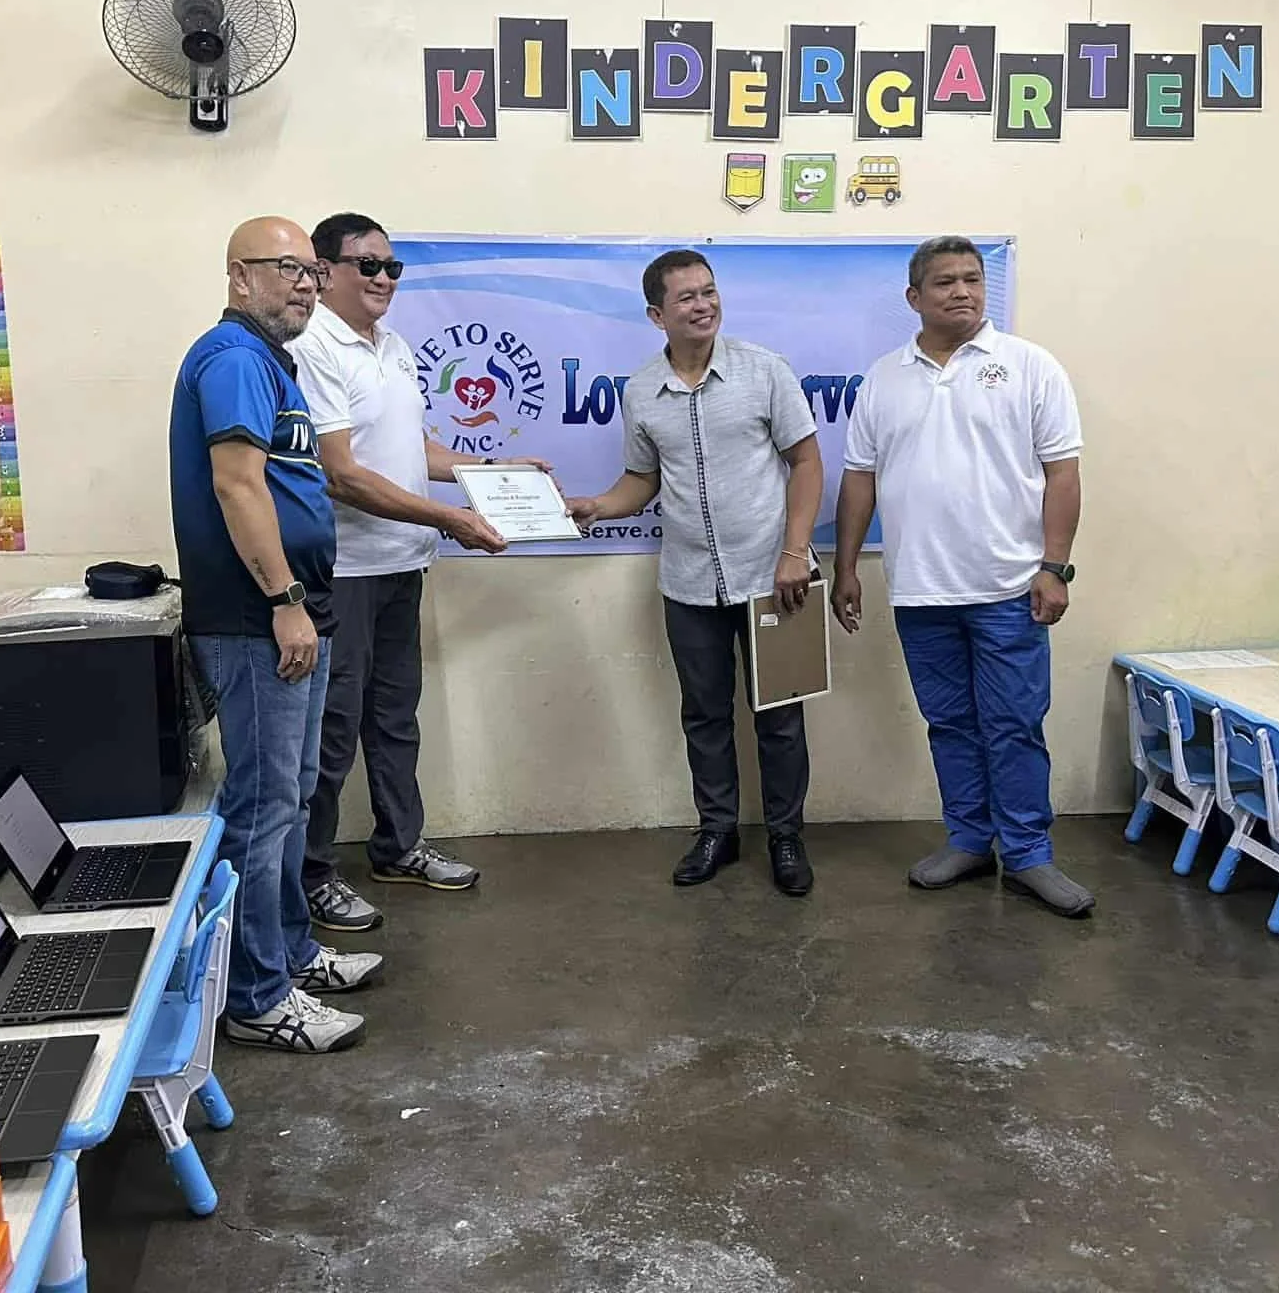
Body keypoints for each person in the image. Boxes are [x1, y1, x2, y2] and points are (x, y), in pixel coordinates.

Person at [831, 235, 1093, 918]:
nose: (962, 291)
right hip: (921, 591)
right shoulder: (883, 378)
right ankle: (970, 840)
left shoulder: (1031, 367)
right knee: (949, 724)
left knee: (1014, 725)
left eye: (972, 279)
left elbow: (1063, 475)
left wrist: (1054, 567)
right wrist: (846, 566)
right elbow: (859, 479)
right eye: (945, 281)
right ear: (914, 297)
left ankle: (1029, 853)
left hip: (1009, 589)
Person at [169, 215, 381, 1054]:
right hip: (258, 620)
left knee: (289, 799)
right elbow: (237, 486)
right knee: (261, 811)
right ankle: (257, 999)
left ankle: (290, 953)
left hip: (294, 613)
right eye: (284, 268)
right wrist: (285, 599)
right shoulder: (231, 359)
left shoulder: (268, 361)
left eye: (310, 271)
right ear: (239, 276)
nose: (304, 284)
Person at [567, 249, 824, 895]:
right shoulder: (641, 392)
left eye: (709, 291)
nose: (703, 305)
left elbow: (807, 463)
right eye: (686, 297)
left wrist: (794, 552)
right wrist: (600, 506)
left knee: (780, 717)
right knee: (704, 716)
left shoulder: (764, 370)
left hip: (775, 580)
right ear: (657, 315)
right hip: (688, 585)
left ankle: (786, 837)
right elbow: (641, 480)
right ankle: (717, 830)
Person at [289, 211, 518, 934]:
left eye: (393, 267)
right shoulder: (311, 348)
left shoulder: (393, 346)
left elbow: (413, 448)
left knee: (394, 718)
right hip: (344, 571)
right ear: (324, 272)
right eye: (369, 265)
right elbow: (341, 473)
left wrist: (495, 470)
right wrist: (449, 518)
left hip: (401, 563)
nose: (385, 279)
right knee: (331, 733)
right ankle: (312, 876)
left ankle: (397, 847)